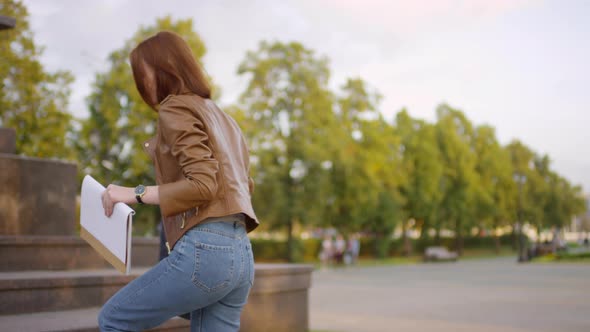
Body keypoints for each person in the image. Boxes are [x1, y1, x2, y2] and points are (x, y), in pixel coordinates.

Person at [98, 31, 259, 332]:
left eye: (142, 74)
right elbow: (243, 186)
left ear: (163, 69)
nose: (141, 84)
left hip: (207, 251)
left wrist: (133, 193)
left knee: (114, 319)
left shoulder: (175, 107)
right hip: (241, 255)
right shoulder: (225, 118)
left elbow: (203, 185)